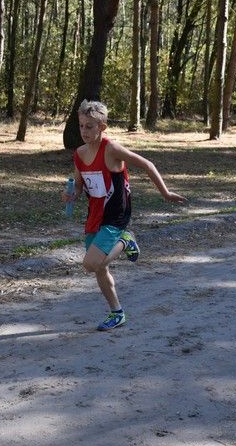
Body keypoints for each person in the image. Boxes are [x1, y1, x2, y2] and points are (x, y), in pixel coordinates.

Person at [63, 100, 186, 331]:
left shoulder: (111, 149)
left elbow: (147, 164)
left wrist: (166, 193)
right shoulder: (79, 154)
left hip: (116, 215)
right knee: (100, 268)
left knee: (91, 264)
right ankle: (117, 313)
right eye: (81, 126)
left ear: (103, 127)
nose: (84, 131)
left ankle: (126, 240)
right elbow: (79, 185)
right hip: (95, 216)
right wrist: (72, 194)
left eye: (90, 126)